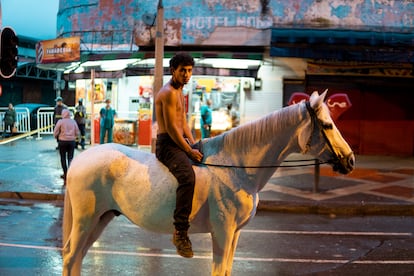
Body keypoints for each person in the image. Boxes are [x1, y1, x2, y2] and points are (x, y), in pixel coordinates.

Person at [155, 53, 203, 258]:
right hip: (168, 144)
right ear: (173, 70)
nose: (186, 74)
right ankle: (180, 232)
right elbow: (173, 129)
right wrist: (188, 149)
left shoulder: (179, 90)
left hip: (179, 141)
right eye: (182, 70)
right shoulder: (167, 93)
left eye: (190, 70)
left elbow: (182, 121)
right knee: (187, 177)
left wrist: (194, 143)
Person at [53, 109, 80, 182]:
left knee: (63, 157)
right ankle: (70, 173)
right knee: (70, 157)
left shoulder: (60, 122)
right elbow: (77, 132)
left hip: (62, 142)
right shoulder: (73, 121)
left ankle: (65, 173)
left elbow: (55, 132)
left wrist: (56, 137)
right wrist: (76, 138)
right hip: (71, 142)